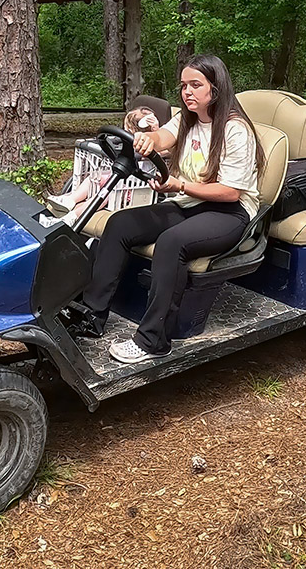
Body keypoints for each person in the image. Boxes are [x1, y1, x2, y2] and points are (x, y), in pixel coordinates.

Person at [74, 55, 264, 364]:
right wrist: (148, 138)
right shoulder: (187, 118)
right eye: (184, 86)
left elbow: (230, 192)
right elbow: (165, 136)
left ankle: (154, 340)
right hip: (189, 203)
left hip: (230, 213)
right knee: (120, 224)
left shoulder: (235, 130)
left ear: (215, 88)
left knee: (172, 242)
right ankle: (91, 316)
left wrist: (179, 186)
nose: (187, 92)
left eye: (195, 85)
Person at [44, 107, 162, 226]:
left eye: (130, 130)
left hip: (136, 189)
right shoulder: (127, 144)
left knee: (105, 192)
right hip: (119, 182)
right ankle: (69, 200)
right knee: (95, 177)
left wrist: (156, 132)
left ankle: (70, 217)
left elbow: (164, 152)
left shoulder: (158, 148)